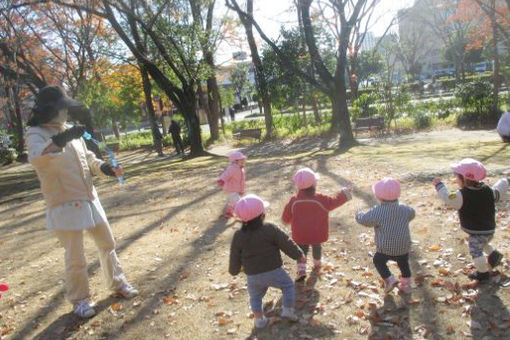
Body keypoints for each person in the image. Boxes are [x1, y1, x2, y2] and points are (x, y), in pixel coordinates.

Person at [25, 85, 138, 318]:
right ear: (50, 110)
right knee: (75, 255)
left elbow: (88, 159)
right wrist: (64, 138)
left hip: (89, 197)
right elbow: (38, 158)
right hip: (63, 202)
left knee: (107, 242)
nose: (65, 113)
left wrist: (105, 168)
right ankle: (80, 300)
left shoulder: (70, 130)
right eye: (61, 109)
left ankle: (118, 283)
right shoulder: (35, 134)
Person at [229, 194, 305, 328]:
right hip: (274, 271)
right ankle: (287, 310)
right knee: (287, 286)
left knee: (255, 297)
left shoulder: (238, 236)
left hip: (252, 276)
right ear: (262, 214)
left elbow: (234, 256)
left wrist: (234, 270)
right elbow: (286, 243)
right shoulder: (270, 228)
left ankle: (259, 320)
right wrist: (298, 255)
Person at [433, 158, 507, 283]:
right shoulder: (488, 191)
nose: (455, 179)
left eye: (457, 177)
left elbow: (448, 198)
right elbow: (498, 191)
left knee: (475, 250)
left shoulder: (461, 195)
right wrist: (505, 181)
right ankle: (494, 255)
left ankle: (482, 273)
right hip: (489, 229)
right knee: (482, 243)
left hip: (477, 231)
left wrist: (439, 186)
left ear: (464, 178)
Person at [282, 168, 352, 282]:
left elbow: (287, 216)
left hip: (300, 234)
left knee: (301, 251)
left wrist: (285, 220)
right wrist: (344, 194)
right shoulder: (321, 199)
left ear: (297, 186)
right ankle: (317, 263)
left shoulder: (294, 200)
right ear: (314, 183)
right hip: (317, 232)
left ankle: (301, 270)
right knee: (317, 246)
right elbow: (334, 201)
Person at [355, 178, 415, 294]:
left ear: (379, 196)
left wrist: (358, 215)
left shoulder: (378, 211)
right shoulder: (405, 208)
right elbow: (412, 213)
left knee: (378, 260)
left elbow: (365, 220)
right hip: (403, 246)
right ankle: (406, 285)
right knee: (403, 263)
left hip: (385, 248)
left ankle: (390, 279)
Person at [217, 151, 246, 218]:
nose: (242, 161)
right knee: (238, 202)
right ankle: (243, 215)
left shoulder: (241, 168)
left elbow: (242, 181)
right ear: (234, 161)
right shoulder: (232, 168)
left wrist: (241, 190)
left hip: (236, 189)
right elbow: (226, 174)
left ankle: (228, 212)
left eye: (243, 159)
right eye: (240, 160)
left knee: (231, 202)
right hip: (230, 189)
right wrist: (221, 180)